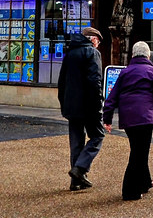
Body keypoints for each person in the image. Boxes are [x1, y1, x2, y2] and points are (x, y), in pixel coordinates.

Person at [103, 41, 153, 201]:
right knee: (138, 154)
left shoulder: (125, 72)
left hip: (128, 117)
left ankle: (144, 182)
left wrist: (107, 118)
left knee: (138, 150)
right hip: (145, 117)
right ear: (148, 55)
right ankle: (129, 191)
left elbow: (112, 97)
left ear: (133, 55)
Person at [57, 26, 105, 191]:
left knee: (76, 142)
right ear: (92, 39)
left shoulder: (70, 53)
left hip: (72, 105)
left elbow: (61, 81)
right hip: (89, 105)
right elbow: (95, 82)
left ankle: (76, 181)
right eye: (97, 41)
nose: (98, 45)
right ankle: (80, 169)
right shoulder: (92, 53)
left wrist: (64, 103)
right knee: (98, 136)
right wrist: (99, 104)